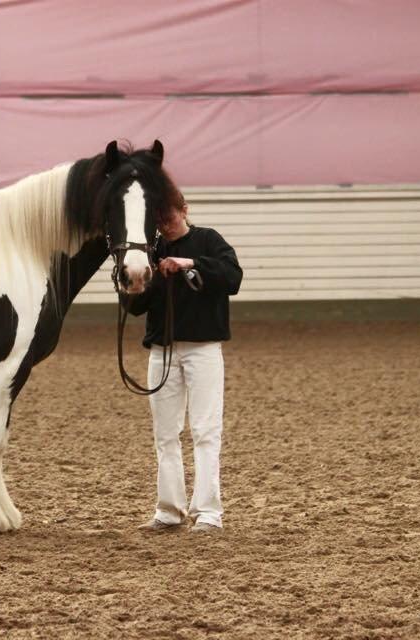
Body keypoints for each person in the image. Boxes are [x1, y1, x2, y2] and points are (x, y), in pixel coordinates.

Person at [121, 185, 242, 535]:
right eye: (159, 220)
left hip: (203, 349)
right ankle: (169, 510)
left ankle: (208, 512)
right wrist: (133, 285)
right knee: (165, 433)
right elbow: (136, 307)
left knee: (205, 430)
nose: (165, 224)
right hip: (162, 351)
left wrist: (190, 263)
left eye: (170, 216)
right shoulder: (151, 250)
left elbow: (232, 277)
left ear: (184, 210)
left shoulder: (208, 240)